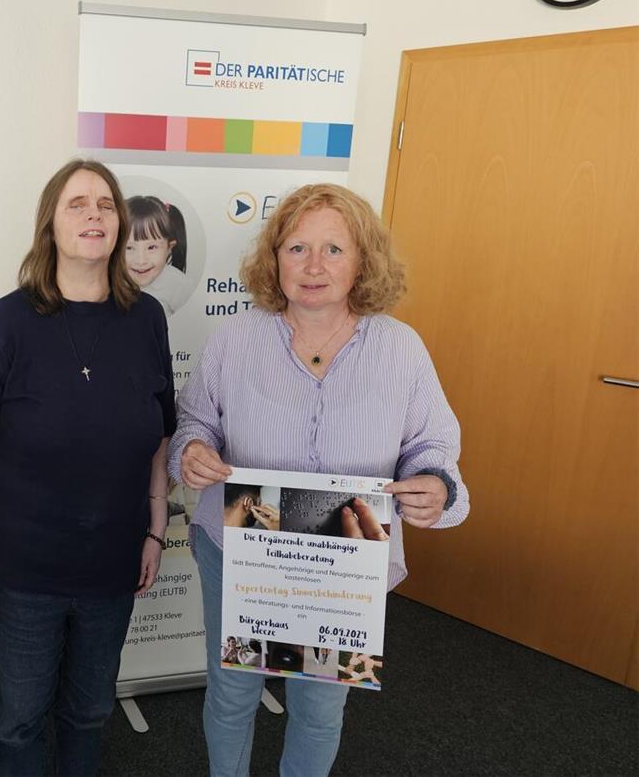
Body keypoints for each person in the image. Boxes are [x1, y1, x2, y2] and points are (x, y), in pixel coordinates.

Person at [170, 183, 469, 777]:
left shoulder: (400, 350)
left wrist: (435, 483)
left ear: (363, 261)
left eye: (334, 249)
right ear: (273, 257)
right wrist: (193, 450)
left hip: (342, 556)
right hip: (241, 546)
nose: (313, 266)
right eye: (297, 248)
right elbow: (193, 421)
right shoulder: (235, 340)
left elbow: (433, 446)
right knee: (233, 694)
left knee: (319, 705)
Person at [0, 159, 175, 776]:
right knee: (19, 720)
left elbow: (159, 436)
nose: (95, 215)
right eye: (77, 203)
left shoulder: (147, 319)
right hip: (23, 570)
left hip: (112, 562)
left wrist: (156, 527)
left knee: (89, 711)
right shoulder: (10, 321)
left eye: (106, 204)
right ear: (50, 223)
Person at [124, 195, 190, 315]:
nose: (140, 260)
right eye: (129, 248)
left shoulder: (179, 285)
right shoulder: (108, 282)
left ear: (169, 248)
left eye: (151, 247)